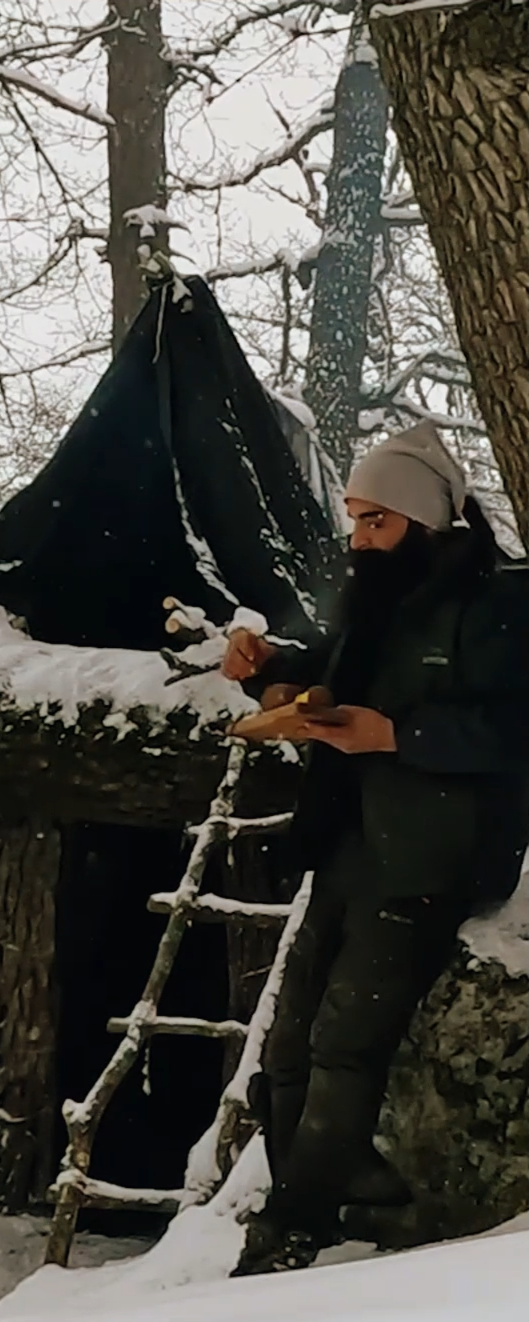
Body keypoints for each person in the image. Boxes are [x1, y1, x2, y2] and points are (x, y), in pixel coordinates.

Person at [220, 420, 529, 1276]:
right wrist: (270, 669)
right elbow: (334, 668)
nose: (358, 538)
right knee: (286, 1048)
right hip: (348, 841)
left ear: (425, 520)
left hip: (434, 853)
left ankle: (294, 1233)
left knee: (345, 1044)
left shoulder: (502, 601)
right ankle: (321, 1194)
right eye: (354, 520)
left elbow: (510, 730)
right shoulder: (378, 595)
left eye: (374, 521)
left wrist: (396, 734)